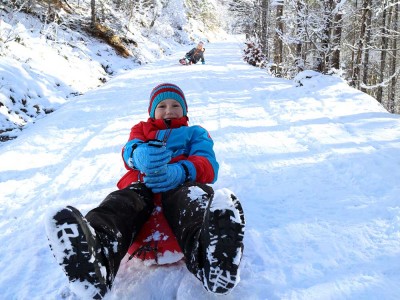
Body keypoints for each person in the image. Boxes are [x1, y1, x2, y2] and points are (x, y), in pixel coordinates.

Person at [45, 83, 245, 299]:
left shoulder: (195, 133)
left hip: (180, 184)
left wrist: (182, 171)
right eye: (162, 106)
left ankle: (210, 254)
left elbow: (208, 164)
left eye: (176, 104)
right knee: (120, 204)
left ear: (185, 110)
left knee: (193, 203)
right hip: (143, 184)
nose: (169, 110)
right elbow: (129, 150)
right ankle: (97, 255)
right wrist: (138, 156)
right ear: (152, 111)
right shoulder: (141, 129)